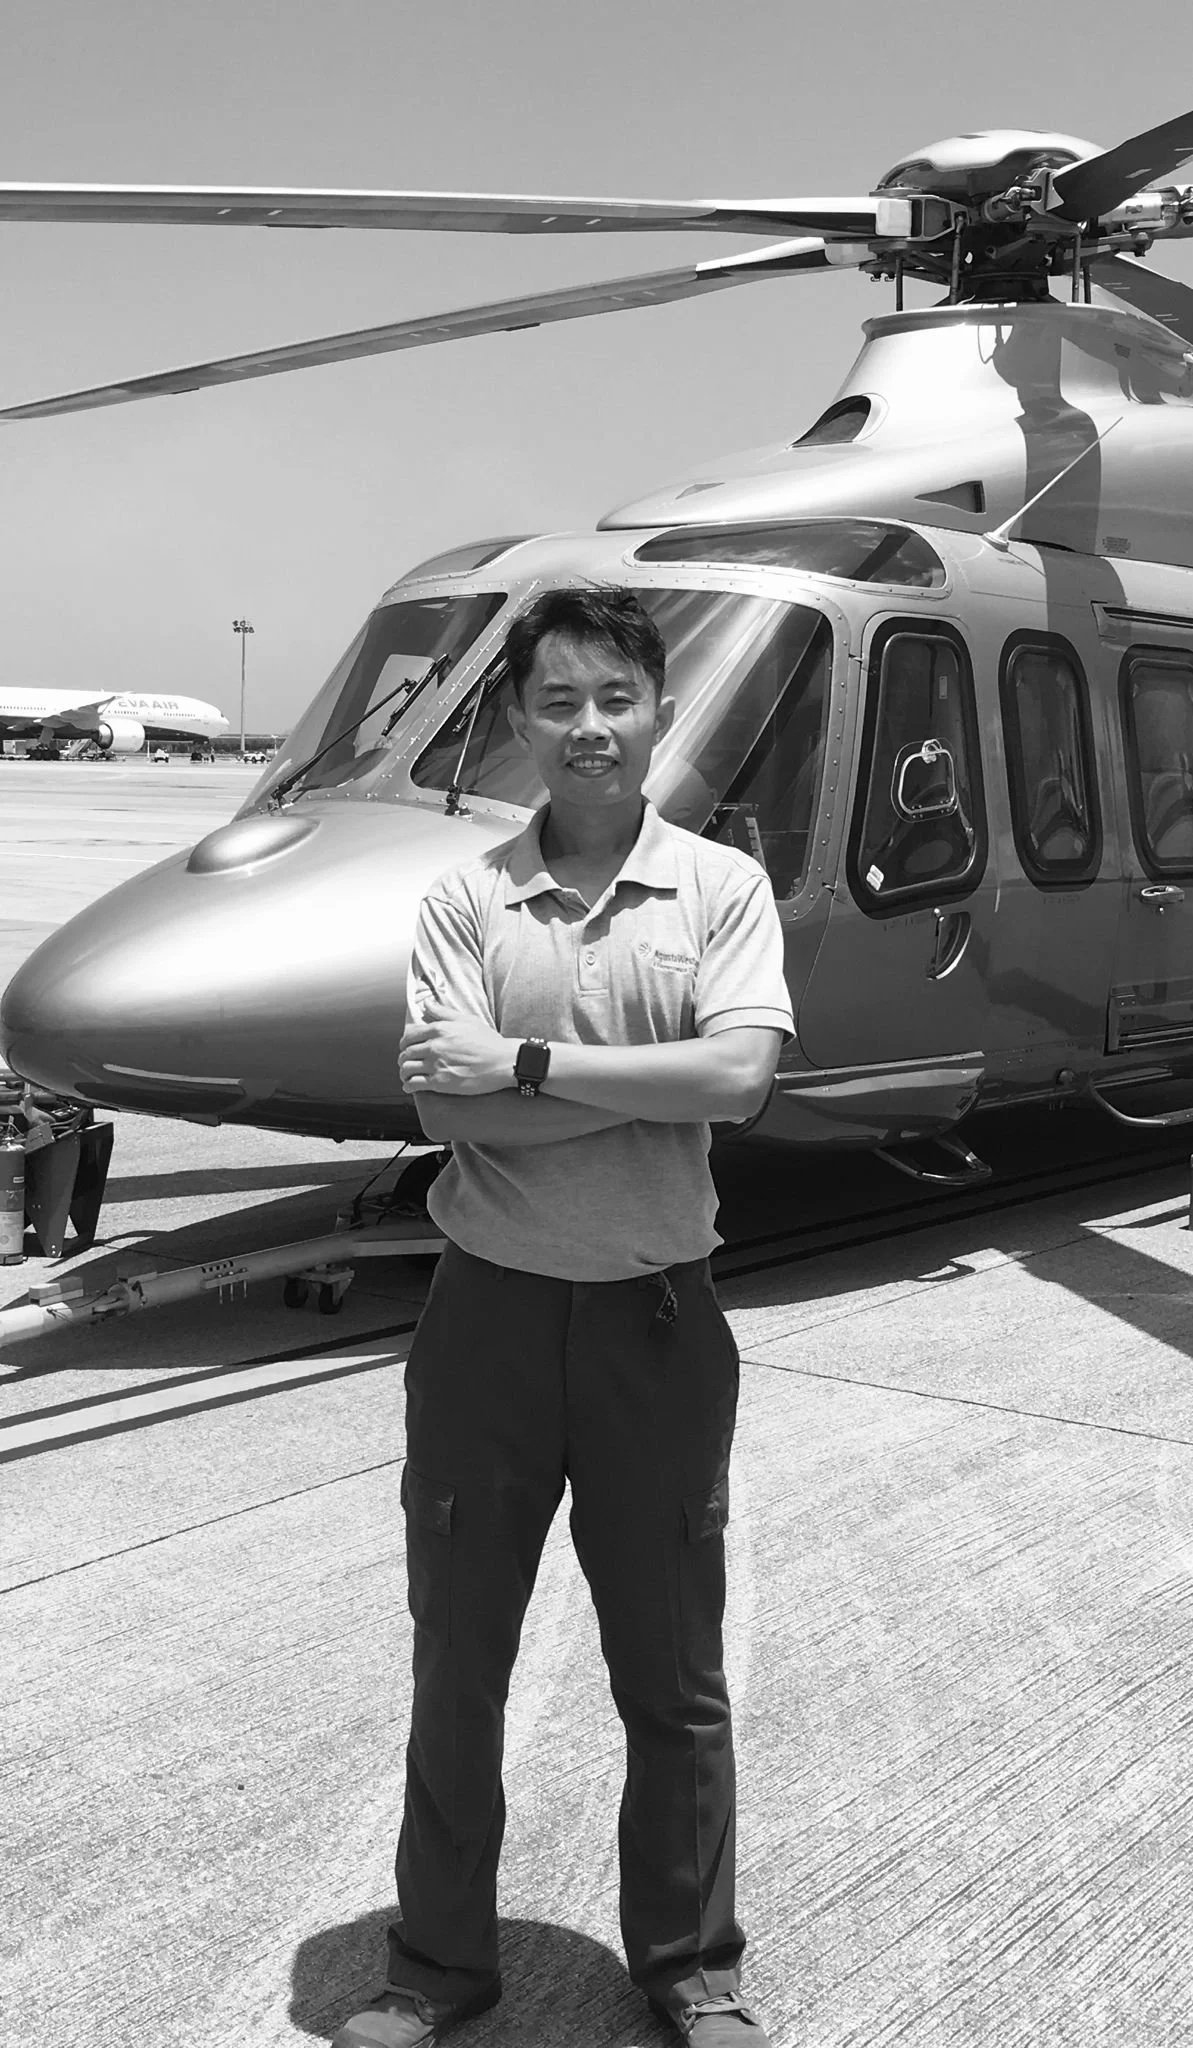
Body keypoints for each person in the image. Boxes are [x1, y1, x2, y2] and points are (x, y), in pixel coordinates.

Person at [333, 587, 793, 2048]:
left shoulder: (721, 890)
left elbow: (736, 1085)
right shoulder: (468, 900)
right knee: (457, 1659)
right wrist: (622, 1081)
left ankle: (691, 1967)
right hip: (488, 1326)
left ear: (659, 710)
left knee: (672, 1673)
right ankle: (437, 1968)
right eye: (558, 703)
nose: (588, 727)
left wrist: (522, 1069)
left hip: (659, 1327)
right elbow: (431, 1102)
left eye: (615, 697)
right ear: (520, 722)